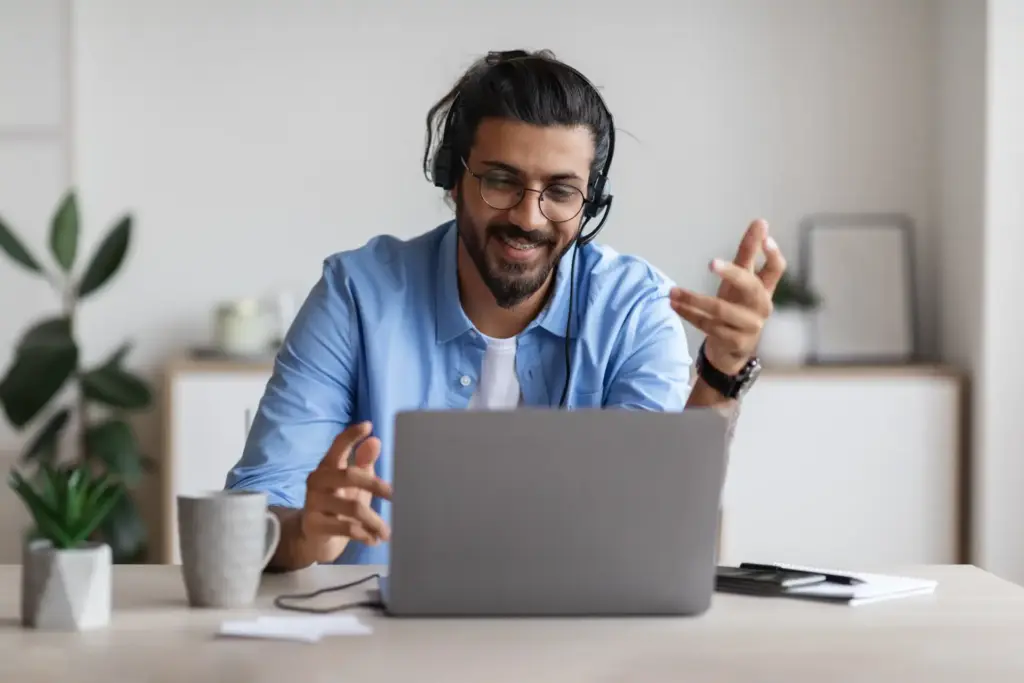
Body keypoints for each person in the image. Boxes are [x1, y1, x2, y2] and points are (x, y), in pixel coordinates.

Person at [225, 48, 786, 571]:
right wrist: (304, 533)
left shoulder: (633, 309)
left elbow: (658, 524)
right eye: (500, 181)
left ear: (591, 202)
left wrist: (723, 369)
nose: (529, 217)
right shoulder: (357, 295)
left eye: (561, 192)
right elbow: (255, 511)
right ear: (452, 179)